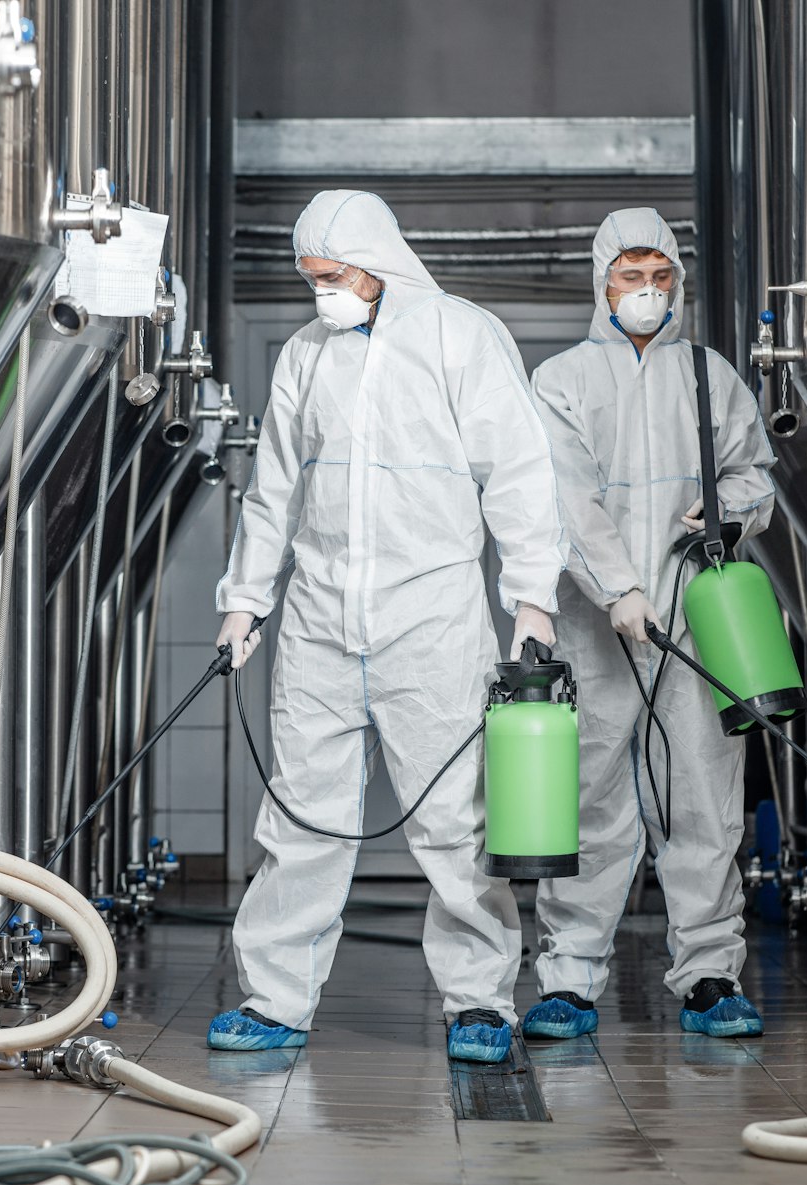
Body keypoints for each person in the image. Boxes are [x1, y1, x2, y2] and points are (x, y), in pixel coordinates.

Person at [208, 189, 565, 1064]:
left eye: (331, 277)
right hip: (322, 619)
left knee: (453, 821)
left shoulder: (458, 334)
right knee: (300, 818)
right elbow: (276, 489)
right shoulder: (304, 354)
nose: (319, 293)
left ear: (374, 265)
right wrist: (246, 597)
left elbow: (517, 469)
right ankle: (276, 999)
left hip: (431, 616)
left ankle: (480, 1000)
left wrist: (531, 597)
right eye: (310, 280)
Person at [521, 207, 777, 1041]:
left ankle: (709, 972)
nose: (648, 292)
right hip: (597, 625)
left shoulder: (710, 374)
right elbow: (566, 496)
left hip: (695, 615)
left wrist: (730, 508)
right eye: (631, 277)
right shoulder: (562, 380)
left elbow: (755, 476)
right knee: (590, 795)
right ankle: (568, 976)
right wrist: (618, 586)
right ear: (602, 283)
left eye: (661, 276)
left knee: (702, 793)